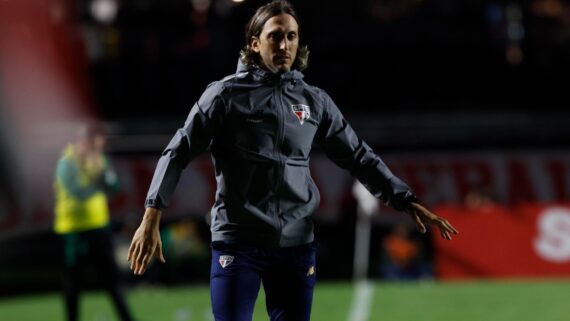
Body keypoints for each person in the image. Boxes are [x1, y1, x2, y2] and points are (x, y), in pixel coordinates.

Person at [128, 1, 459, 321]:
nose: (284, 44)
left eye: (291, 36)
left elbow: (358, 155)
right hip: (238, 241)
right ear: (255, 44)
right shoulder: (224, 96)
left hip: (296, 245)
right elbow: (178, 151)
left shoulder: (313, 100)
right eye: (275, 36)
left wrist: (404, 199)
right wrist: (151, 215)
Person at [54, 122, 135, 321]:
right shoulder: (67, 161)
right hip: (73, 231)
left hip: (99, 227)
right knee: (73, 282)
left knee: (112, 279)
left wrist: (103, 176)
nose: (100, 147)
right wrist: (98, 178)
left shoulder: (99, 160)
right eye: (97, 142)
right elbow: (78, 192)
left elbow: (114, 188)